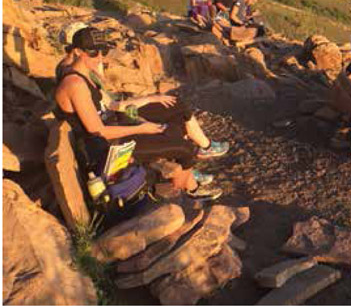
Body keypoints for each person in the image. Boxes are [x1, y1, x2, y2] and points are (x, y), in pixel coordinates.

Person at [54, 27, 228, 201]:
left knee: (175, 124)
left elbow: (110, 105)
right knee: (186, 148)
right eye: (93, 53)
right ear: (77, 51)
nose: (100, 57)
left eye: (103, 51)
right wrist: (141, 129)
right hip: (108, 148)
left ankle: (184, 178)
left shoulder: (85, 74)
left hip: (114, 130)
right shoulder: (75, 84)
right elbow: (98, 131)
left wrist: (149, 100)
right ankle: (192, 189)